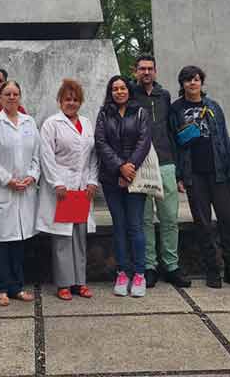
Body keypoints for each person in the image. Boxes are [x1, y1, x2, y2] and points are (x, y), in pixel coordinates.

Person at [170, 65, 230, 289]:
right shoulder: (175, 109)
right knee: (202, 224)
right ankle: (212, 270)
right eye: (187, 80)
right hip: (194, 174)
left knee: (226, 220)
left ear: (201, 82)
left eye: (196, 79)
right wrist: (179, 175)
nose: (192, 83)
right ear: (182, 84)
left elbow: (224, 139)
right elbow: (174, 144)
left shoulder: (213, 106)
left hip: (218, 173)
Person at [37, 78, 99, 300]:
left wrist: (92, 181)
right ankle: (64, 284)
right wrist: (57, 183)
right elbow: (46, 156)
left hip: (82, 188)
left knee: (80, 236)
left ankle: (80, 282)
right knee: (63, 237)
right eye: (67, 99)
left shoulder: (87, 123)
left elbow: (93, 156)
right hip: (62, 189)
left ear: (80, 102)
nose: (71, 103)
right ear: (60, 101)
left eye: (75, 99)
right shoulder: (51, 124)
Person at [0, 80, 40, 306]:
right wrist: (8, 180)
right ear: (1, 97)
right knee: (1, 242)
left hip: (24, 191)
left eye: (15, 93)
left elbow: (37, 154)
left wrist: (32, 176)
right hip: (2, 191)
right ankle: (0, 288)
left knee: (19, 241)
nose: (12, 97)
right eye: (7, 94)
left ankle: (16, 286)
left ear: (20, 96)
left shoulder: (29, 122)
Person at [133, 54, 189, 289]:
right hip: (141, 166)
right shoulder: (130, 95)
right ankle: (149, 266)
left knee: (169, 218)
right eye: (142, 69)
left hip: (166, 163)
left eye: (150, 69)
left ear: (155, 71)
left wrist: (179, 172)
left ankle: (171, 265)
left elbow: (173, 131)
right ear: (136, 72)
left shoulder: (164, 96)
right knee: (145, 219)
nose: (146, 72)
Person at [94, 75, 152, 297]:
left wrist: (130, 168)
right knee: (119, 226)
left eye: (123, 88)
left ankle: (139, 273)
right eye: (115, 88)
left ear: (129, 90)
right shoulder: (103, 114)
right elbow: (100, 142)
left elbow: (144, 142)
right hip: (111, 178)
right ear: (110, 92)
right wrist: (119, 167)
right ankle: (122, 272)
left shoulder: (140, 113)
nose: (119, 91)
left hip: (135, 177)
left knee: (135, 226)